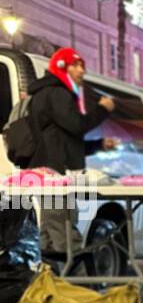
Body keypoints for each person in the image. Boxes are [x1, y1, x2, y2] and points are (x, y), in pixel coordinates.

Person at [25, 47, 115, 259]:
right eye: (76, 66)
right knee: (65, 232)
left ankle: (53, 283)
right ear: (62, 66)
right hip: (55, 175)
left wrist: (98, 145)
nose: (81, 71)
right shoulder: (57, 93)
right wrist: (103, 109)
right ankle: (78, 284)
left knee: (50, 233)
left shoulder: (49, 93)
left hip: (50, 173)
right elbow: (76, 125)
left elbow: (65, 140)